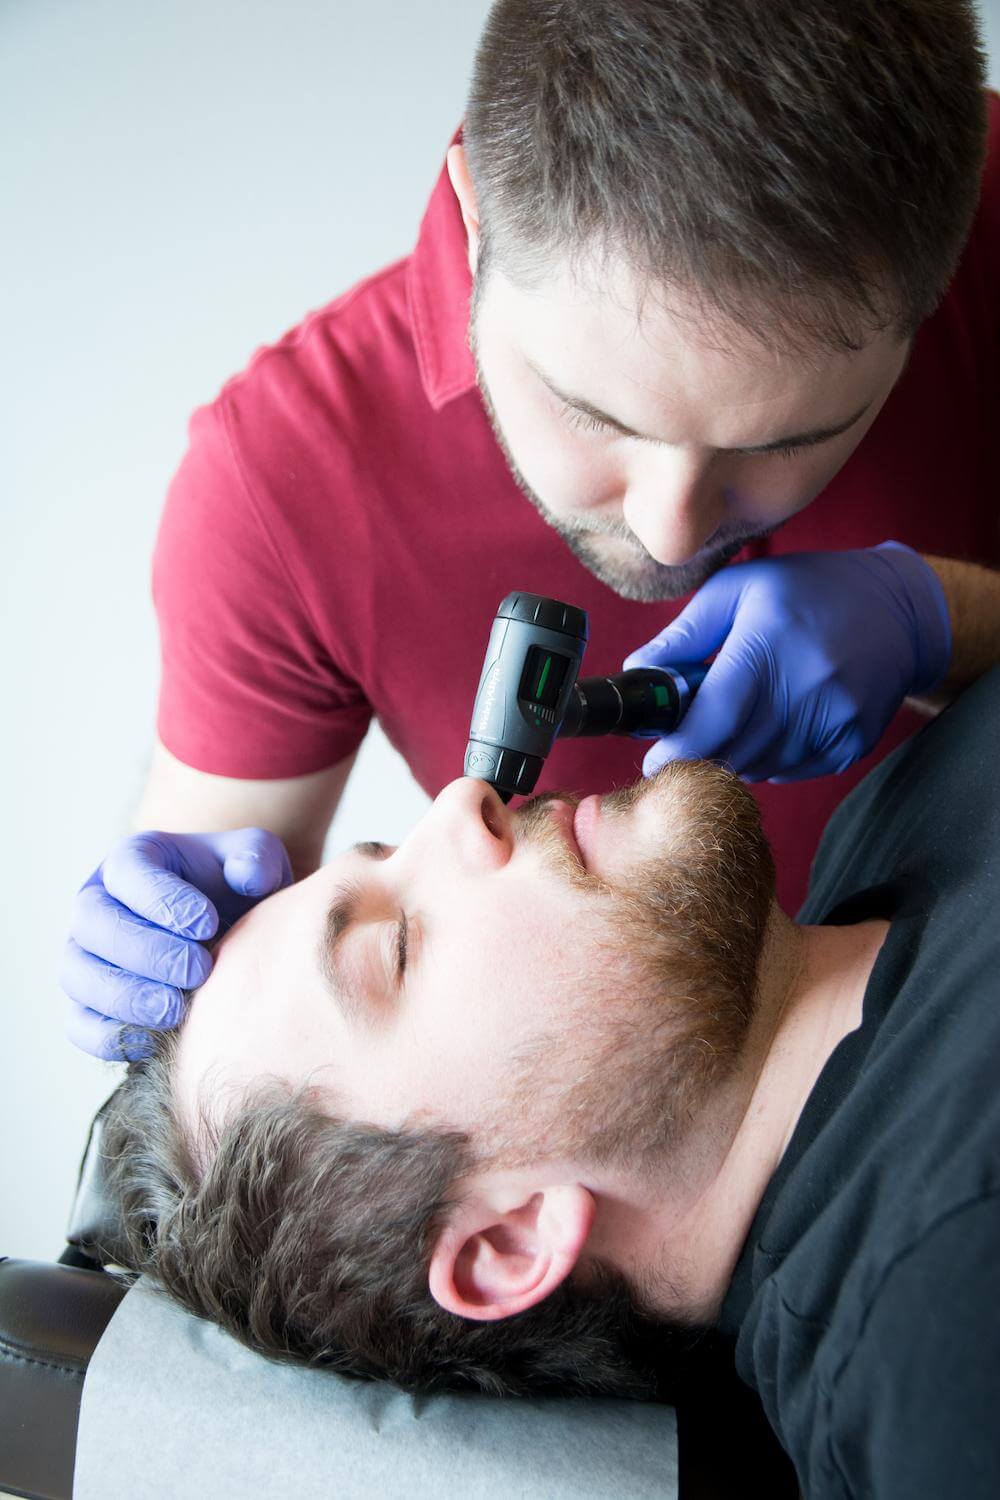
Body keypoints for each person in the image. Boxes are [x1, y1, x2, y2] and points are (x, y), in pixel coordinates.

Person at [63, 0, 1000, 1062]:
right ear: (475, 214)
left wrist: (950, 623)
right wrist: (162, 978)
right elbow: (238, 1041)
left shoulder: (988, 199)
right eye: (594, 415)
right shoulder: (281, 479)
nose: (668, 526)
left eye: (790, 438)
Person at [101, 664, 1000, 1499]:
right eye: (399, 946)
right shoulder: (941, 1355)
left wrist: (949, 636)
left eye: (386, 850)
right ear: (511, 1241)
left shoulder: (878, 839)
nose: (463, 804)